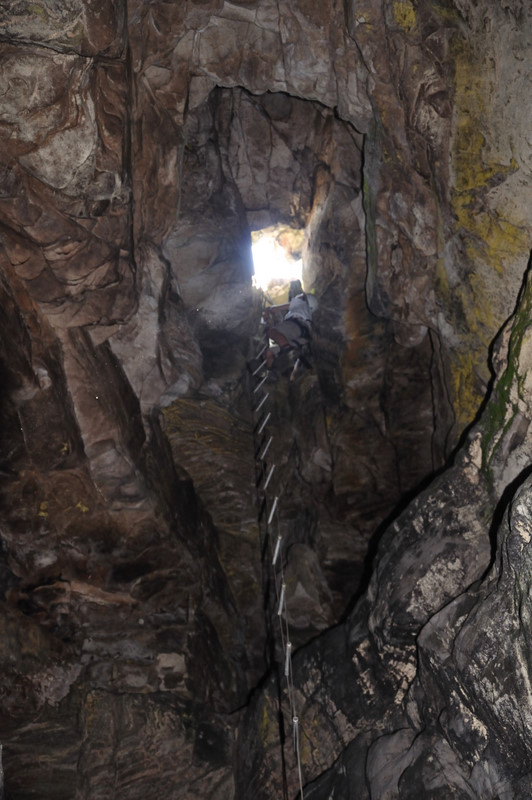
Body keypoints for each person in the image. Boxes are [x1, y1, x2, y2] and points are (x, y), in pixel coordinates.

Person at [264, 280, 317, 368]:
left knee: (271, 332)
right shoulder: (307, 315)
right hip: (304, 336)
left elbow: (275, 309)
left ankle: (288, 350)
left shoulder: (301, 303)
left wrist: (268, 310)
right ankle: (272, 370)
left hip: (296, 326)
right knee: (270, 351)